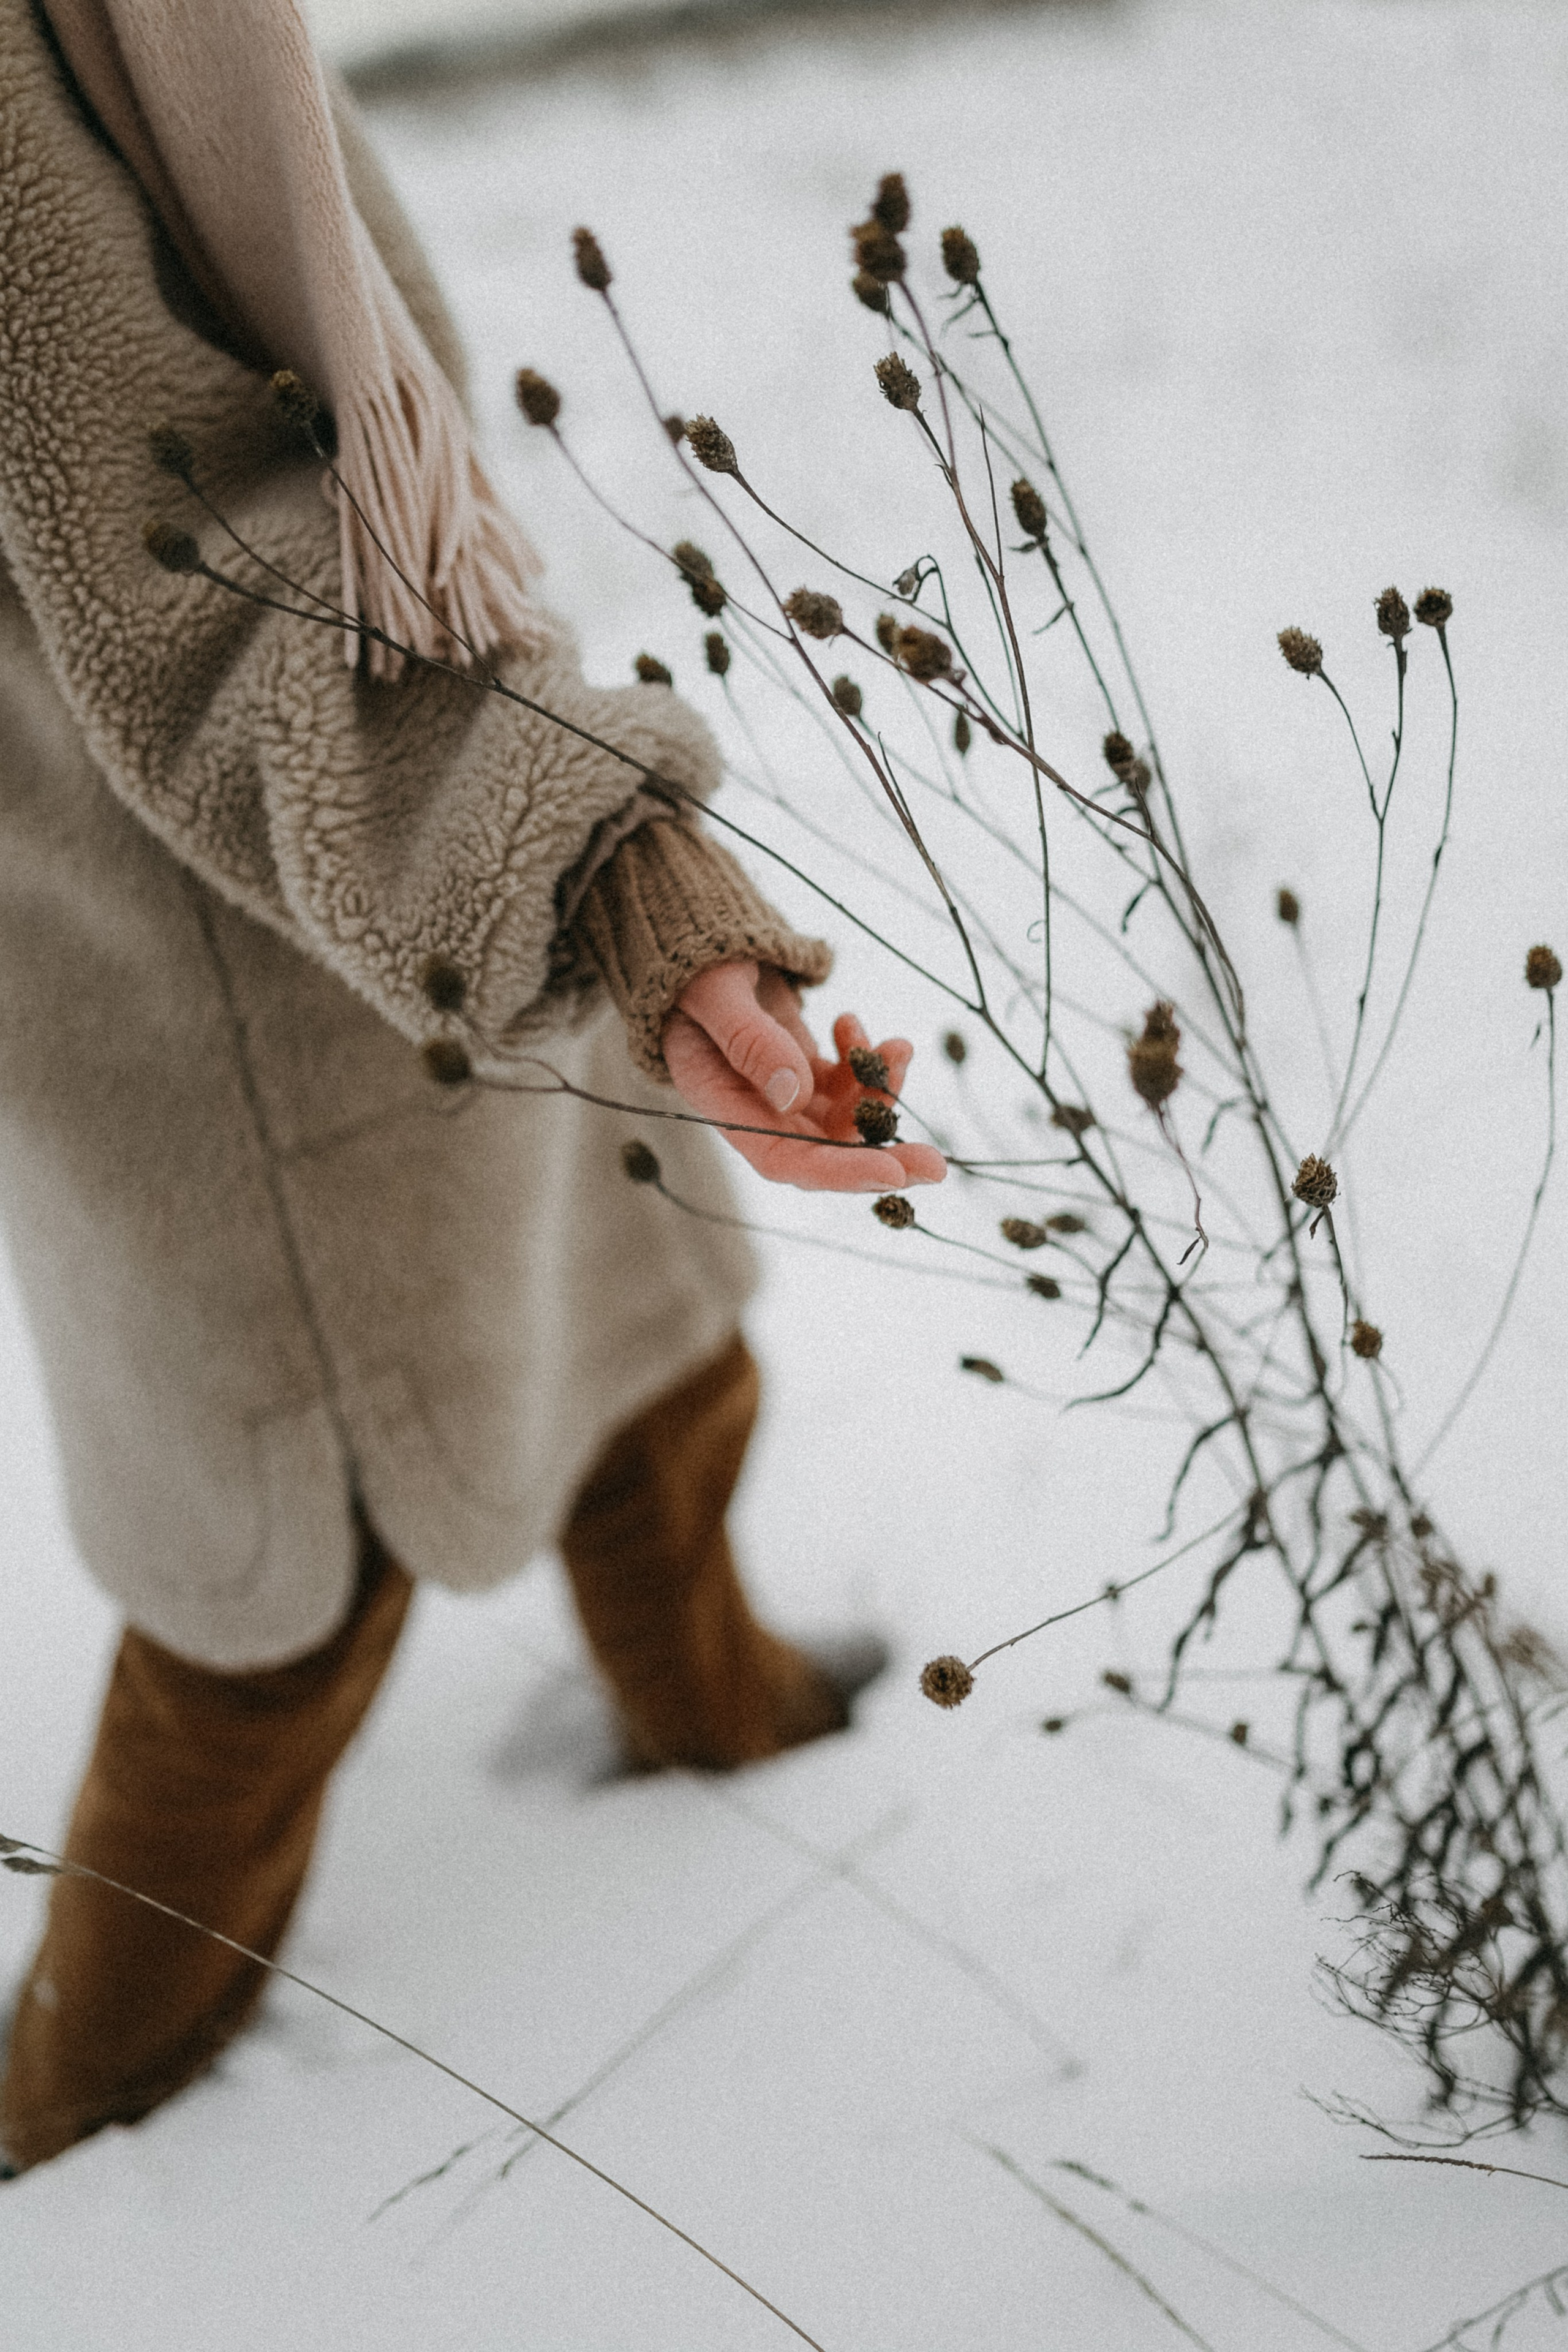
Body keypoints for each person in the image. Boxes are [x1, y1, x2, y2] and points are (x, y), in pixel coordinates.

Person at [0, 0, 943, 2172]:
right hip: (226, 958)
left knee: (652, 1349)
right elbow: (210, 559)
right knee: (269, 1608)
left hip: (380, 856)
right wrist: (610, 872)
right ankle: (81, 2121)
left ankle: (717, 1715)